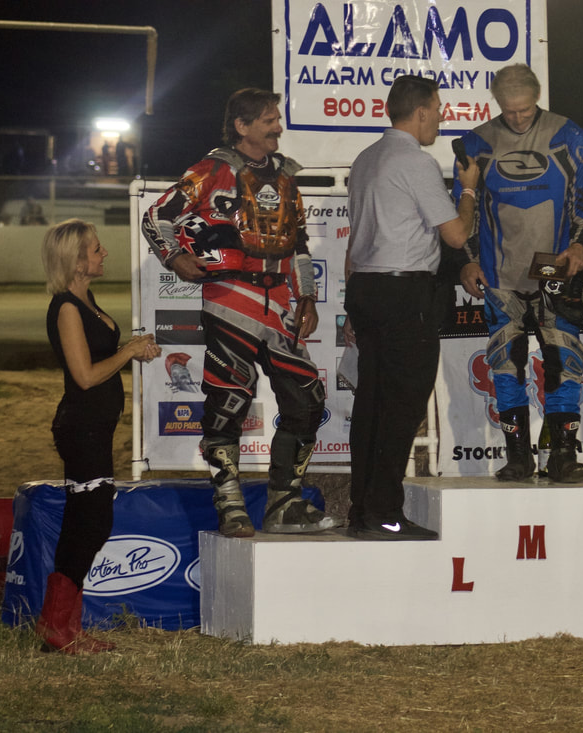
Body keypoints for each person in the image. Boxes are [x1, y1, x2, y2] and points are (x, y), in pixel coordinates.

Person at [142, 87, 335, 538]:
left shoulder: (287, 176)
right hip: (229, 298)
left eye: (277, 118)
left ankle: (284, 504)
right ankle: (229, 504)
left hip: (281, 305)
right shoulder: (211, 170)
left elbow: (300, 244)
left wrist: (306, 297)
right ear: (242, 126)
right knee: (229, 401)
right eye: (269, 120)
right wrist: (174, 257)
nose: (278, 127)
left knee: (307, 399)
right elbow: (156, 217)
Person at [344, 75, 480, 540]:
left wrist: (351, 302)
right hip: (405, 296)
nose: (441, 118)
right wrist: (468, 190)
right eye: (438, 110)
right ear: (420, 112)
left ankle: (362, 510)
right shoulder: (415, 162)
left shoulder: (365, 160)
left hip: (365, 287)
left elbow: (354, 241)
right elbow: (456, 236)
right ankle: (384, 513)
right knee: (400, 409)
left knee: (371, 405)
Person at [451, 63, 583, 484]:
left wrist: (580, 246)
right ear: (496, 102)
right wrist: (468, 258)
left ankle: (563, 455)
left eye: (524, 109)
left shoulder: (570, 137)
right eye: (508, 110)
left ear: (537, 97)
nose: (516, 117)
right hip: (500, 276)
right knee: (505, 366)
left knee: (563, 362)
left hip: (555, 272)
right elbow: (462, 208)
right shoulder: (476, 143)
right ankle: (518, 456)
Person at [39, 218, 162, 654]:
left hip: (94, 427)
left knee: (85, 523)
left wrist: (132, 348)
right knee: (89, 524)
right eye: (95, 248)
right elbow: (85, 377)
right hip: (81, 427)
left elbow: (101, 357)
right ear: (75, 260)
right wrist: (127, 352)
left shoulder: (84, 299)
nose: (103, 252)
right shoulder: (67, 308)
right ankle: (57, 628)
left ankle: (62, 627)